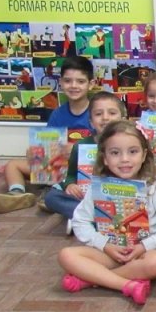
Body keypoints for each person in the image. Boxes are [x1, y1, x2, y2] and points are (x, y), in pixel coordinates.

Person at [58, 121, 156, 306]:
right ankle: (126, 284)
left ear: (144, 155)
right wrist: (105, 246)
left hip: (143, 254)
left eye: (132, 151)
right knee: (66, 255)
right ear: (105, 158)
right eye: (115, 153)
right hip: (109, 252)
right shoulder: (97, 187)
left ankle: (91, 279)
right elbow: (80, 221)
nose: (124, 159)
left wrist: (144, 246)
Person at [0, 56, 93, 214]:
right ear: (61, 83)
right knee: (12, 165)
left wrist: (76, 148)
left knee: (68, 175)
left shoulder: (96, 112)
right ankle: (17, 193)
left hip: (84, 167)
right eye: (68, 81)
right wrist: (38, 153)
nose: (73, 86)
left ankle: (53, 192)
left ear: (91, 84)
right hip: (58, 165)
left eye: (80, 81)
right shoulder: (57, 114)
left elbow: (104, 144)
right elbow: (50, 144)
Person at [43, 92, 127, 224]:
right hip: (85, 197)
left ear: (122, 119)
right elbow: (70, 174)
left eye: (112, 113)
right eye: (98, 114)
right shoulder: (81, 145)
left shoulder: (129, 144)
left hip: (117, 197)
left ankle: (81, 218)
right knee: (52, 197)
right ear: (91, 122)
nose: (105, 118)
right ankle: (92, 217)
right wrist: (70, 185)